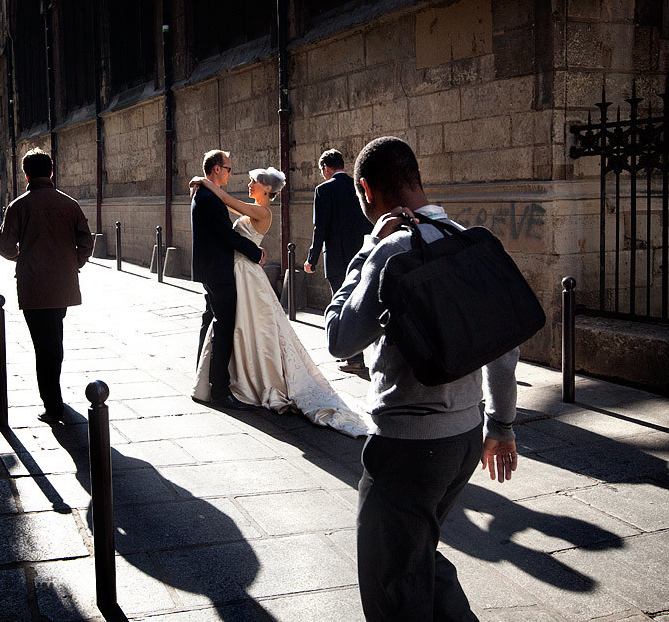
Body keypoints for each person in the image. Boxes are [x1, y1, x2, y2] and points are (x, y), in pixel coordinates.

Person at [325, 136, 520, 621]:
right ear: (415, 178)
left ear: (366, 189)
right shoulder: (460, 236)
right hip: (463, 438)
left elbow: (339, 337)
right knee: (415, 556)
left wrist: (366, 251)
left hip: (407, 444)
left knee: (388, 578)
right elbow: (503, 344)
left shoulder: (387, 250)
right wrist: (501, 425)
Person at [190, 165, 369, 438]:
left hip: (247, 274)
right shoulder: (252, 207)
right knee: (236, 325)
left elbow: (226, 200)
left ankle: (253, 377)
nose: (248, 185)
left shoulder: (263, 212)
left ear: (267, 189)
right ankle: (231, 376)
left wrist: (203, 181)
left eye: (253, 183)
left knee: (248, 325)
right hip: (236, 271)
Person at [0, 148, 94, 424]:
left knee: (43, 345)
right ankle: (55, 396)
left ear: (26, 174)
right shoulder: (69, 204)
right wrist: (73, 263)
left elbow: (4, 245)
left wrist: (21, 256)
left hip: (33, 285)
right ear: (51, 171)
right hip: (61, 285)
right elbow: (87, 242)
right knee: (55, 339)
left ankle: (53, 405)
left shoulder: (19, 206)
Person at [190, 150, 267, 411]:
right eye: (228, 168)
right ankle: (220, 390)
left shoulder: (205, 193)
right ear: (215, 169)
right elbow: (226, 235)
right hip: (219, 270)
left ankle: (202, 378)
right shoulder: (209, 197)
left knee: (209, 320)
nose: (231, 173)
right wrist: (256, 253)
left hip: (211, 268)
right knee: (224, 327)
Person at [304, 149, 372, 377]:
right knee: (360, 302)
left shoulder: (324, 190)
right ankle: (354, 353)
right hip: (363, 254)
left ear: (325, 168)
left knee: (343, 305)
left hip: (337, 258)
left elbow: (319, 228)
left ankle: (354, 358)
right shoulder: (359, 187)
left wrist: (311, 259)